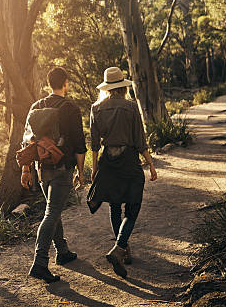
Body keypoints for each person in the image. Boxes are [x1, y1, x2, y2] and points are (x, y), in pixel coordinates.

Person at [87, 67, 157, 278]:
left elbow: (94, 144)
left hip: (107, 161)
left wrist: (94, 169)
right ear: (122, 87)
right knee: (133, 206)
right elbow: (139, 140)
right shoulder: (131, 106)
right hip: (128, 161)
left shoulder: (96, 108)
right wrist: (150, 164)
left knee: (115, 204)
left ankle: (123, 249)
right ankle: (120, 248)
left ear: (107, 88)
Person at [21, 67, 87, 283]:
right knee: (52, 212)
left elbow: (26, 142)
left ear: (49, 84)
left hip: (41, 169)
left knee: (53, 208)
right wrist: (80, 171)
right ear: (65, 83)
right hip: (62, 168)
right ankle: (40, 263)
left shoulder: (35, 106)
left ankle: (63, 251)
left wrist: (25, 170)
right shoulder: (70, 108)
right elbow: (79, 144)